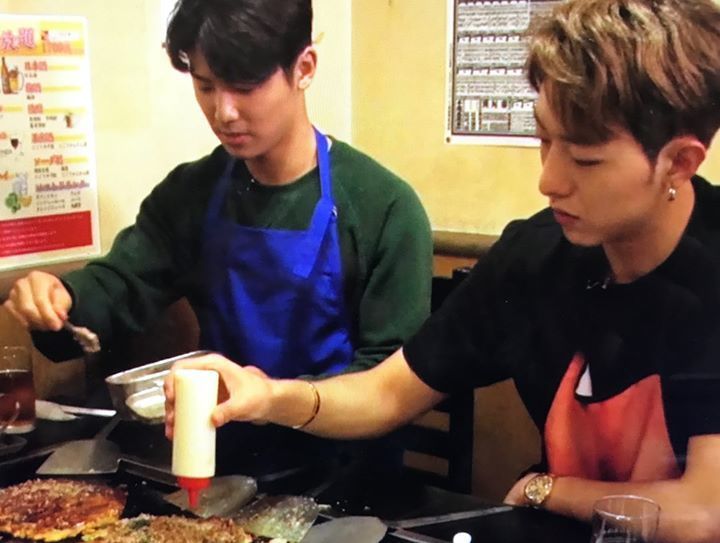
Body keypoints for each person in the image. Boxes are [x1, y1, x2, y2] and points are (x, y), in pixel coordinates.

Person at [164, 0, 720, 540]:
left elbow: (703, 513)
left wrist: (548, 489)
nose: (548, 180)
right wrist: (269, 397)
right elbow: (387, 394)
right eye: (544, 140)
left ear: (680, 162)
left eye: (585, 159)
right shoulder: (536, 257)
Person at [4, 0, 432, 473]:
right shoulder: (191, 193)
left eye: (245, 87)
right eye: (206, 86)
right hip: (219, 461)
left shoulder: (383, 207)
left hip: (349, 473)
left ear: (304, 68)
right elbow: (121, 284)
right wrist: (59, 299)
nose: (223, 111)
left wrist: (277, 399)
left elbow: (392, 384)